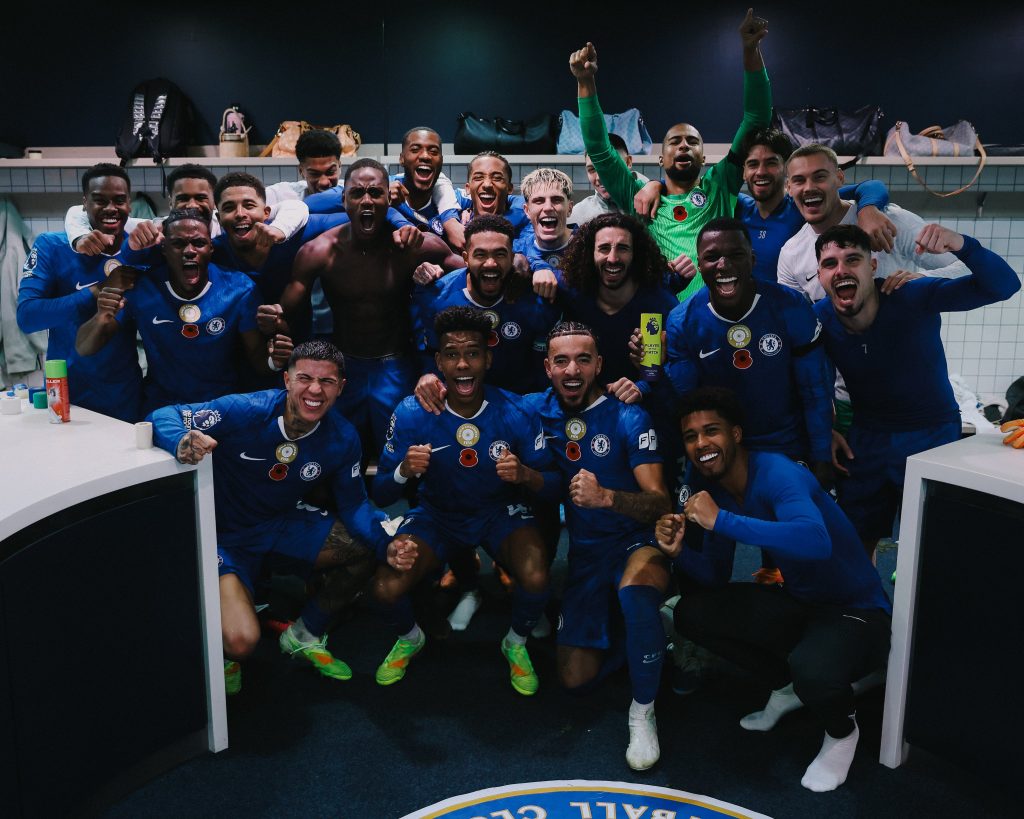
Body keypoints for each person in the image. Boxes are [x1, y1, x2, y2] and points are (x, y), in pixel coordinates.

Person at [656, 386, 892, 792]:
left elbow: (816, 541)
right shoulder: (714, 489)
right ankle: (790, 687)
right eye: (691, 436)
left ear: (736, 434)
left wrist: (721, 522)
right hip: (803, 603)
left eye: (711, 430)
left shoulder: (777, 472)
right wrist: (678, 553)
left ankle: (841, 732)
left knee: (813, 669)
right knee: (690, 613)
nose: (701, 444)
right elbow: (713, 575)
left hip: (859, 611)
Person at [148, 340, 403, 695]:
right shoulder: (247, 409)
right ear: (286, 380)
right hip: (222, 536)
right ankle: (226, 656)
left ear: (341, 387)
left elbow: (355, 505)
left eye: (327, 381)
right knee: (241, 641)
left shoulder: (343, 438)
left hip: (279, 525)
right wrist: (181, 440)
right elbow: (163, 414)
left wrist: (385, 544)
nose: (315, 390)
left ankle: (304, 634)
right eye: (305, 378)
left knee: (363, 548)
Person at [371, 306, 552, 694]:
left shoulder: (517, 411)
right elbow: (382, 492)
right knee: (385, 588)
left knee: (537, 576)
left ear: (488, 358)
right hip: (437, 514)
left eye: (472, 353)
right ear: (438, 362)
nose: (463, 364)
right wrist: (404, 470)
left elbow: (554, 486)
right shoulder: (410, 413)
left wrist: (526, 475)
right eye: (452, 354)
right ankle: (411, 637)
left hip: (497, 512)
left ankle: (515, 643)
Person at [813, 223, 1021, 558]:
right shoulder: (820, 319)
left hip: (932, 435)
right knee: (853, 540)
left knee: (934, 540)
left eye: (853, 259)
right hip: (868, 439)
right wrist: (826, 426)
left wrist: (962, 245)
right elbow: (805, 376)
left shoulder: (912, 296)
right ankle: (861, 609)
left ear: (873, 267)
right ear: (820, 276)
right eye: (830, 263)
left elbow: (1005, 285)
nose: (841, 270)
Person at [522, 322, 671, 771]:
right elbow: (478, 401)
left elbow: (660, 502)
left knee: (634, 591)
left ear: (600, 365)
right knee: (574, 680)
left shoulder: (628, 415)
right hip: (586, 555)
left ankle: (643, 709)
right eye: (561, 361)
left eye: (583, 359)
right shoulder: (535, 410)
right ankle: (649, 633)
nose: (572, 370)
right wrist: (428, 381)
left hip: (636, 540)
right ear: (547, 367)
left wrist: (607, 497)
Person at [261, 159, 463, 454]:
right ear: (344, 200)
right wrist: (272, 324)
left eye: (375, 193)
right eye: (357, 193)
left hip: (397, 365)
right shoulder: (321, 251)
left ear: (388, 198)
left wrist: (437, 277)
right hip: (344, 368)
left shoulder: (413, 247)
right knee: (336, 452)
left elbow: (470, 276)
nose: (366, 200)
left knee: (401, 450)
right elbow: (285, 313)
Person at [571, 9, 772, 301]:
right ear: (660, 159)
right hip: (658, 318)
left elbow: (756, 119)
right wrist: (585, 82)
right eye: (674, 141)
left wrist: (750, 50)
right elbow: (600, 149)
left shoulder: (719, 185)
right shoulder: (637, 195)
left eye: (692, 141)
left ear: (704, 158)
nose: (683, 146)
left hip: (715, 315)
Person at [660, 218, 834, 485]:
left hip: (784, 445)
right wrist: (654, 370)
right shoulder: (681, 321)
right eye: (712, 257)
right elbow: (687, 404)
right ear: (699, 265)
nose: (724, 265)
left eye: (736, 255)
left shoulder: (790, 306)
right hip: (720, 452)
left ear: (752, 260)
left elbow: (814, 390)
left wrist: (821, 457)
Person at [75, 208, 292, 413]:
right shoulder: (142, 288)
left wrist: (274, 359)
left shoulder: (239, 288)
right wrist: (101, 316)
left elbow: (259, 360)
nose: (189, 251)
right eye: (178, 243)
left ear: (211, 248)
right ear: (164, 250)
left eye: (198, 243)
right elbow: (84, 348)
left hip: (221, 407)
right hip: (162, 408)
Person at [16, 162, 143, 421]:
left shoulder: (141, 250)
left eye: (119, 200)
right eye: (99, 200)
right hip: (66, 393)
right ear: (84, 204)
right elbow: (27, 317)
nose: (110, 208)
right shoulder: (52, 246)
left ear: (129, 204)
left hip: (125, 394)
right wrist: (97, 291)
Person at [778, 144, 969, 303]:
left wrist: (922, 281)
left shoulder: (891, 221)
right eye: (799, 180)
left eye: (820, 177)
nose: (809, 187)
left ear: (839, 178)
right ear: (788, 188)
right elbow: (795, 317)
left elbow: (967, 267)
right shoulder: (791, 253)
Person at [413, 215, 558, 404]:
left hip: (522, 403)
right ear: (465, 258)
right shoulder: (437, 297)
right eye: (480, 255)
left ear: (512, 257)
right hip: (460, 407)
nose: (491, 263)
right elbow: (430, 353)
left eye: (500, 254)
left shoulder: (534, 297)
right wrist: (427, 376)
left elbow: (544, 365)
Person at [64, 163, 309, 251]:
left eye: (201, 198)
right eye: (183, 199)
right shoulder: (156, 230)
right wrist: (80, 237)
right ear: (170, 201)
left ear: (213, 201)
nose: (192, 205)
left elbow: (294, 206)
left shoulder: (227, 221)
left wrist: (279, 230)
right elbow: (77, 210)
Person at [515, 168, 576, 301]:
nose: (548, 207)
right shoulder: (517, 249)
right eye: (539, 201)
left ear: (569, 208)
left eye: (556, 200)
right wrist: (535, 263)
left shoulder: (590, 245)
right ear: (527, 211)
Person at [570, 134, 650, 226]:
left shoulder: (654, 201)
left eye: (608, 167)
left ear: (628, 162)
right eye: (592, 169)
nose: (599, 178)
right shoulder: (578, 215)